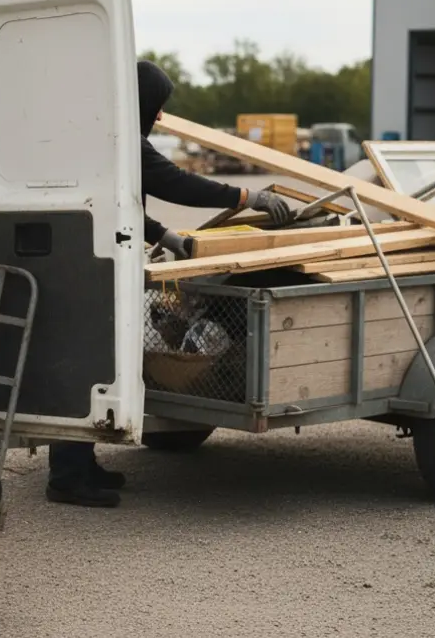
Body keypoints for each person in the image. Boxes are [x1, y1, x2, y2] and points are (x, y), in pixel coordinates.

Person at [46, 60, 295, 508]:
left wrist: (164, 236)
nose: (160, 117)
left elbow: (126, 205)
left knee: (96, 364)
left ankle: (80, 464)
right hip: (89, 263)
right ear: (142, 102)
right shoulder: (121, 142)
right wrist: (247, 196)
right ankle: (66, 476)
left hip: (90, 259)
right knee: (85, 364)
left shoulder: (106, 135)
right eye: (158, 106)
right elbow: (174, 183)